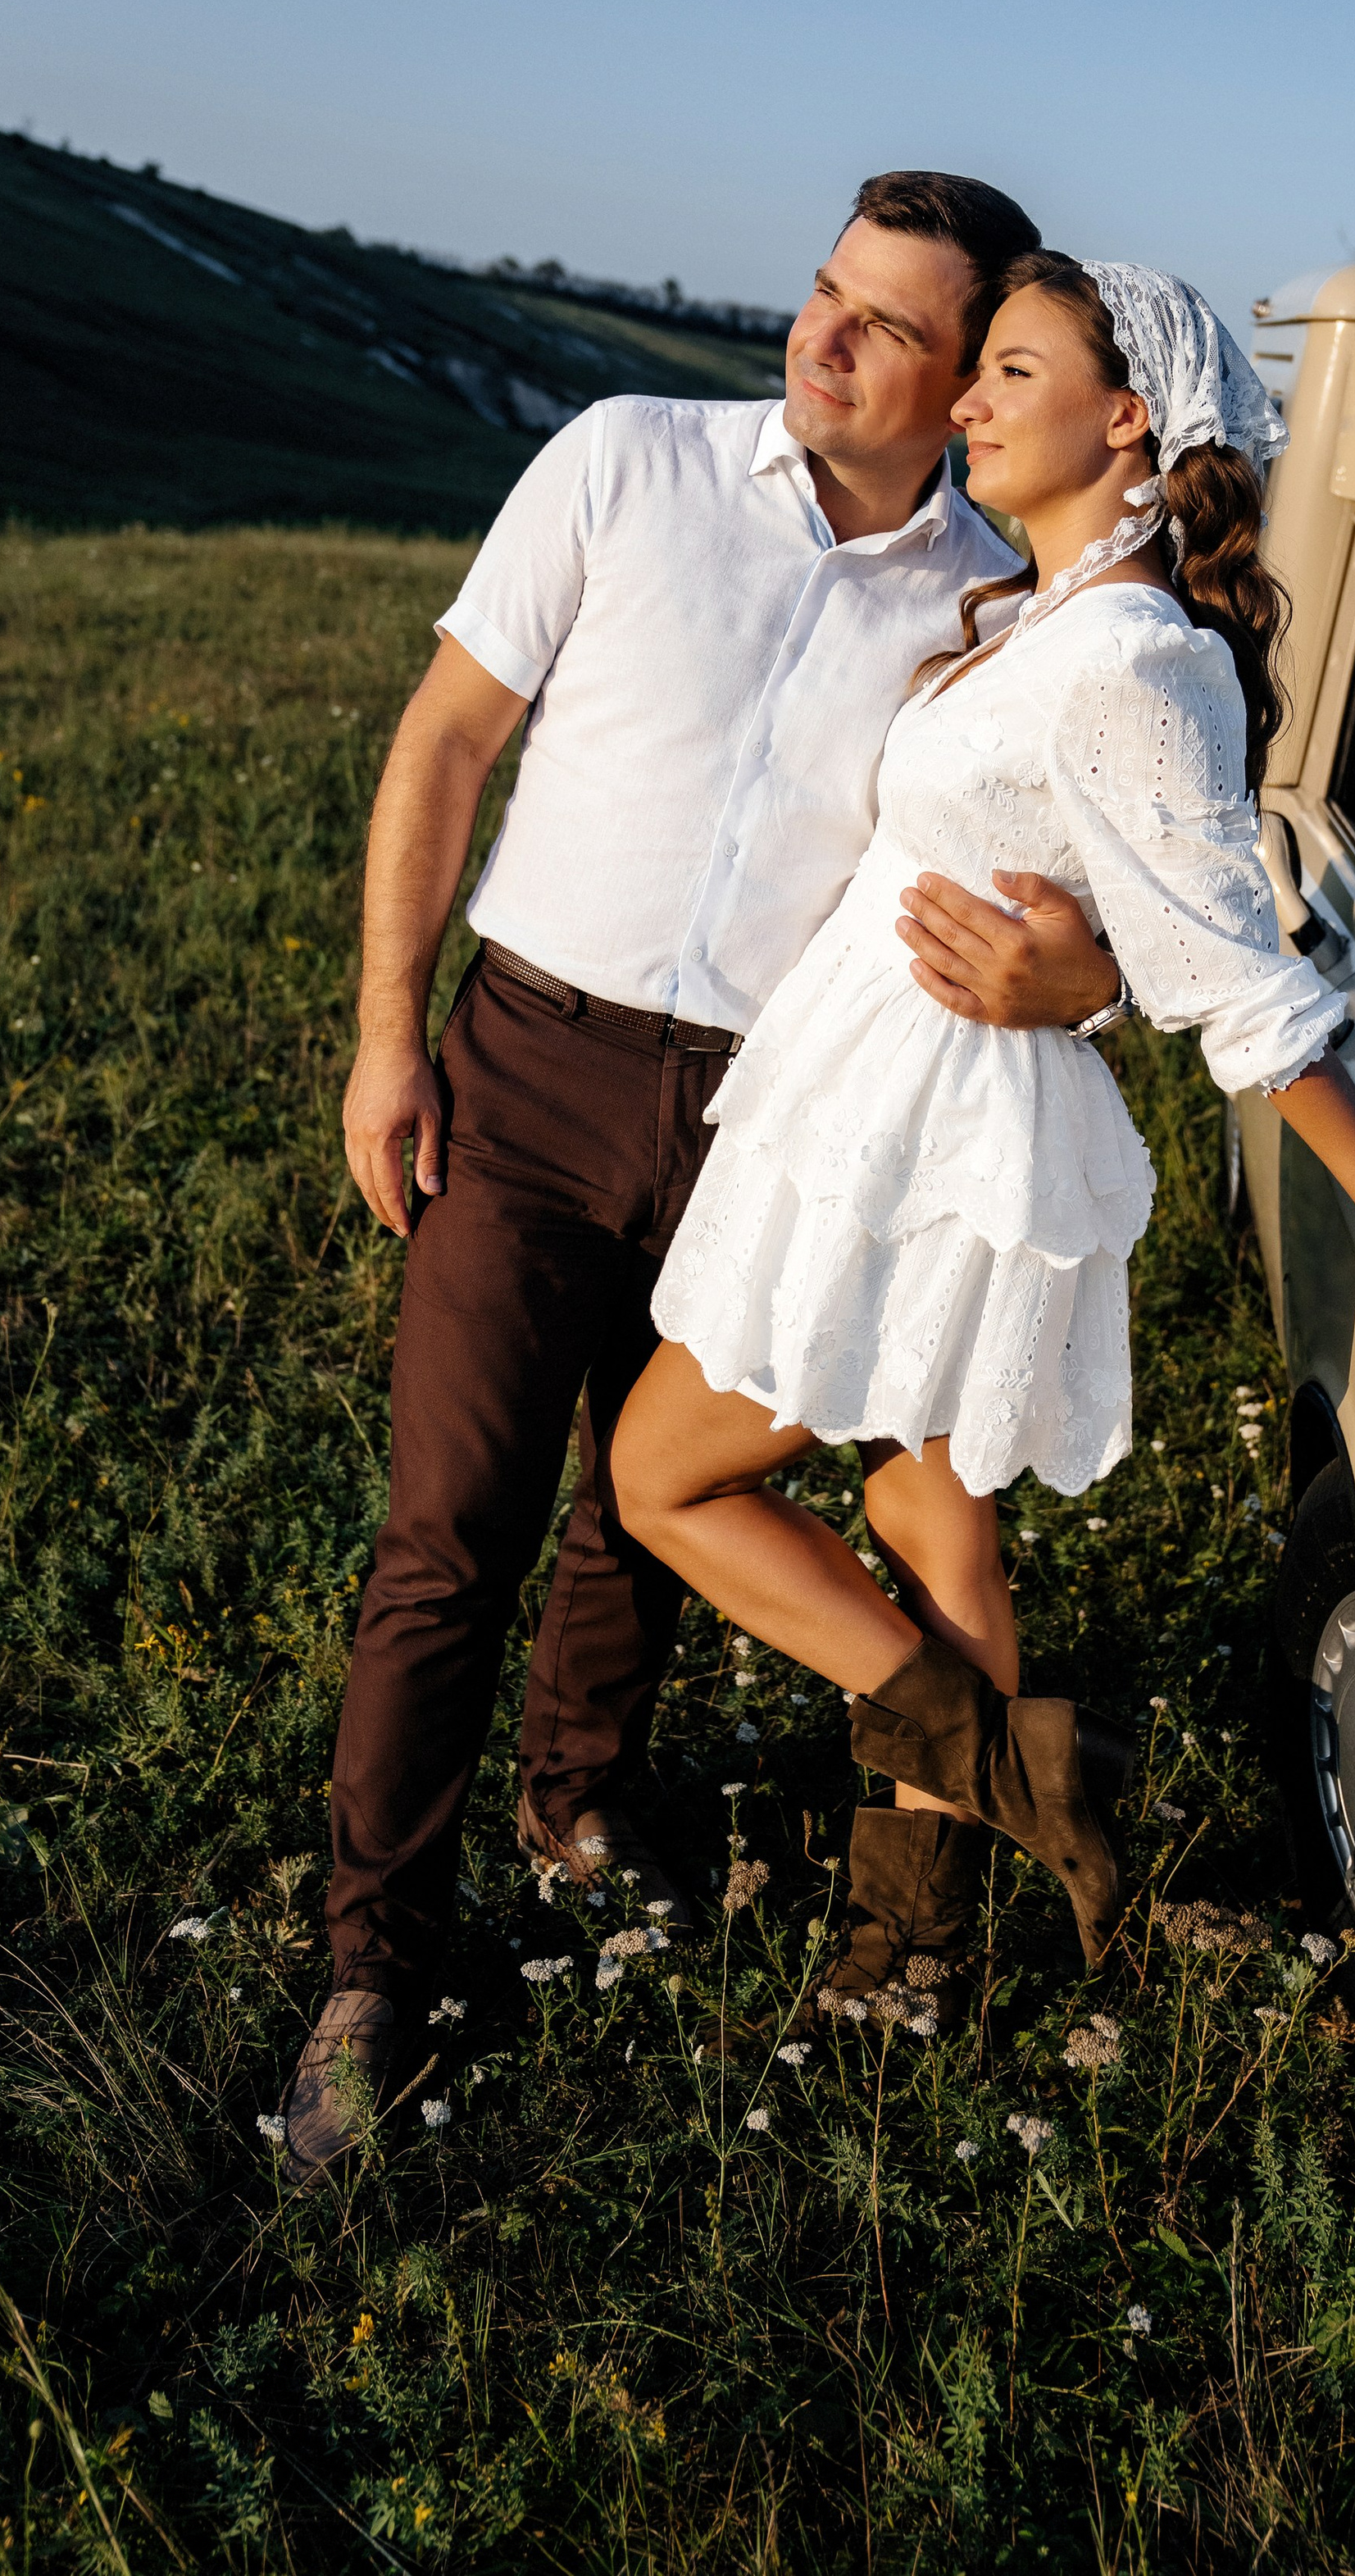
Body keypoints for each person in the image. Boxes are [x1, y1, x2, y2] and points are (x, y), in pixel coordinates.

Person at [610, 253, 1355, 2023]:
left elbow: (1234, 986)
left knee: (665, 1476)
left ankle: (1032, 1774)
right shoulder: (1036, 620)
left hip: (932, 1135)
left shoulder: (1130, 663)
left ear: (1128, 423)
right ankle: (912, 1941)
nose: (966, 402)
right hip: (882, 1101)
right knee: (922, 1510)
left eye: (1008, 371)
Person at [280, 175, 1129, 2182]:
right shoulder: (621, 461)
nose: (822, 337)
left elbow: (1097, 861)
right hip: (532, 1062)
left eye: (887, 328)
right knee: (445, 1535)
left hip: (777, 1109)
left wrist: (1080, 970)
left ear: (958, 385)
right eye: (822, 295)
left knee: (647, 1496)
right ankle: (365, 1974)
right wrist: (389, 1030)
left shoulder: (993, 603)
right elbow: (445, 742)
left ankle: (580, 1803)